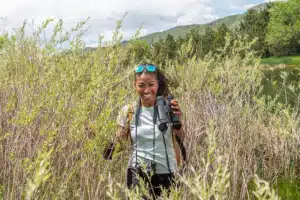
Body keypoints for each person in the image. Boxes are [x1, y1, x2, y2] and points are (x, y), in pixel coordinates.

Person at [115, 63, 185, 199]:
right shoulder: (128, 110)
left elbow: (182, 137)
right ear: (135, 86)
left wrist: (177, 123)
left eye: (151, 84)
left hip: (167, 173)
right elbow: (119, 143)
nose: (146, 89)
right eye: (141, 85)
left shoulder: (168, 107)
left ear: (157, 85)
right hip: (137, 174)